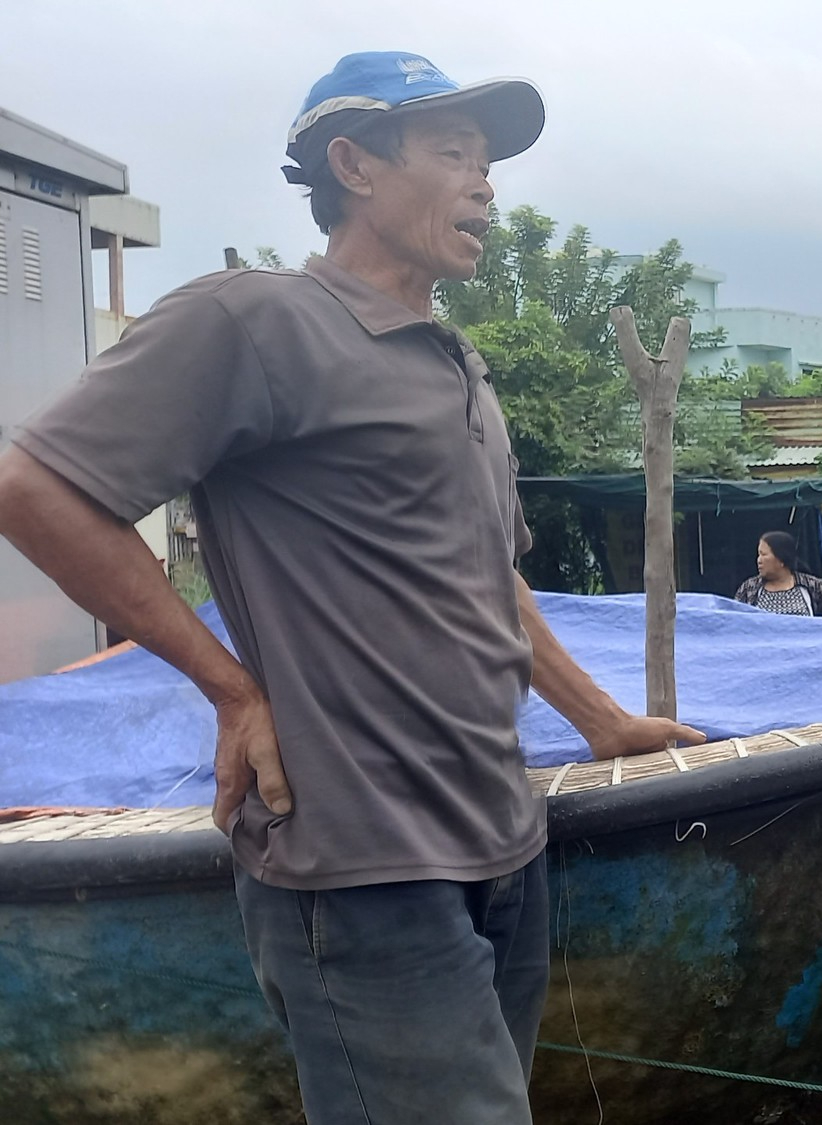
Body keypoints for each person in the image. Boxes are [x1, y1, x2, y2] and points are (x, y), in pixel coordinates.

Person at [0, 52, 705, 1125]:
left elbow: (491, 580)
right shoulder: (257, 322)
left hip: (499, 841)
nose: (485, 185)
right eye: (454, 154)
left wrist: (599, 719)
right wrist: (230, 689)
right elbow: (32, 485)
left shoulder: (457, 366)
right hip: (361, 869)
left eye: (488, 163)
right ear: (354, 165)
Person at [734, 530, 822, 616]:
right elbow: (734, 619)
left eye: (764, 555)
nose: (759, 560)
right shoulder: (749, 588)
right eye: (759, 555)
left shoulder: (812, 585)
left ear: (781, 560)